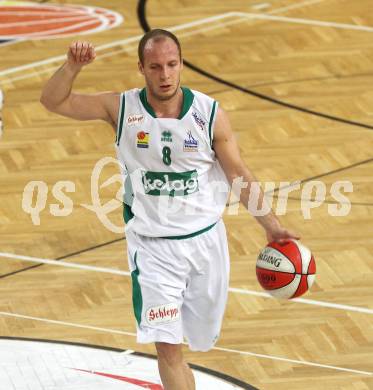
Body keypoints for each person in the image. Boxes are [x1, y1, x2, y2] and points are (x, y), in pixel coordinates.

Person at [40, 29, 299, 390]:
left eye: (172, 65)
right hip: (152, 248)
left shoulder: (209, 114)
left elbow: (238, 172)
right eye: (156, 66)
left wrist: (270, 226)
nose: (165, 75)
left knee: (201, 337)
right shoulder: (120, 108)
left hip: (205, 242)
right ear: (142, 68)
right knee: (168, 348)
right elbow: (53, 101)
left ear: (181, 64)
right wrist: (71, 67)